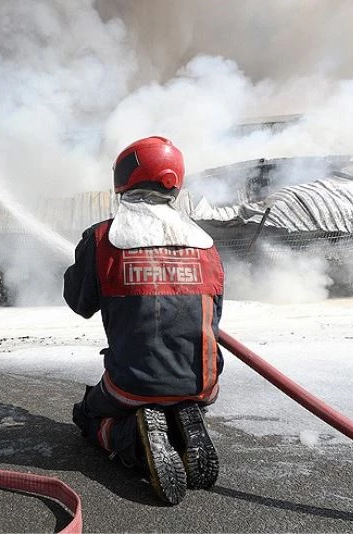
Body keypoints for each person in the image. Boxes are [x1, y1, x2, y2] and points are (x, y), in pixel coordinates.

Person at [63, 136, 225, 506]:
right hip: (203, 383)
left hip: (132, 384)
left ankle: (133, 441)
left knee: (87, 414)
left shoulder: (104, 237)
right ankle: (182, 422)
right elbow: (215, 317)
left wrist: (84, 265)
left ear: (124, 177)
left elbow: (79, 304)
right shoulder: (206, 244)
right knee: (173, 393)